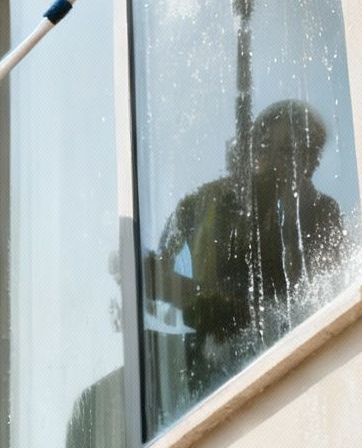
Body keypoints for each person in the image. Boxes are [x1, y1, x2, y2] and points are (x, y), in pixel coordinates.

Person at [144, 98, 349, 398]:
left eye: (296, 152)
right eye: (268, 147)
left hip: (295, 366)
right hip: (212, 375)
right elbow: (154, 277)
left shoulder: (320, 213)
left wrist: (295, 215)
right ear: (252, 149)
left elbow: (324, 300)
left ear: (311, 161)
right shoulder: (204, 203)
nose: (281, 162)